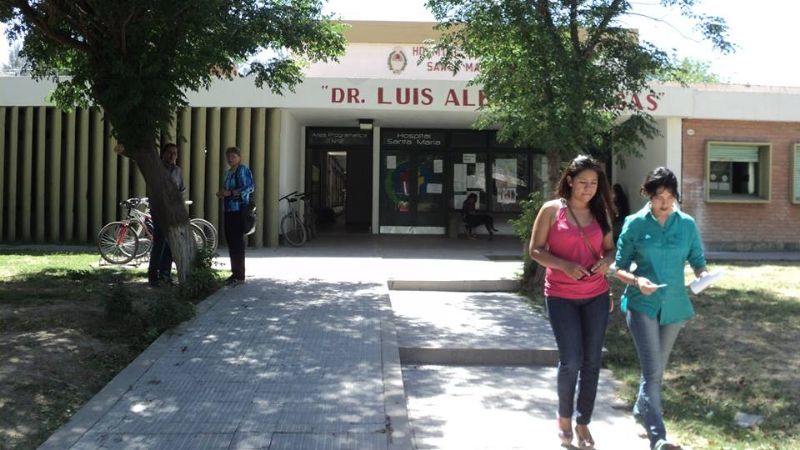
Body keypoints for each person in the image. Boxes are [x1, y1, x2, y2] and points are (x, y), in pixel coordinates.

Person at [614, 167, 708, 450]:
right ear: (648, 196)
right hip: (642, 303)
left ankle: (640, 411)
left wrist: (703, 275)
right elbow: (618, 267)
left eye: (669, 197)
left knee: (655, 370)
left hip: (675, 305)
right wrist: (636, 279)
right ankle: (658, 437)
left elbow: (697, 259)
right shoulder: (634, 223)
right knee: (653, 371)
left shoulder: (687, 224)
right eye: (658, 197)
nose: (665, 203)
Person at [528, 155, 616, 450]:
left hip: (596, 296)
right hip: (561, 296)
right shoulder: (552, 210)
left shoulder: (600, 211)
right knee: (571, 361)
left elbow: (610, 250)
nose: (588, 188)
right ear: (569, 181)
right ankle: (564, 419)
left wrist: (606, 262)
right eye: (582, 182)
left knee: (592, 362)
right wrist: (564, 265)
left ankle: (583, 422)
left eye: (593, 183)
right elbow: (535, 250)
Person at [148, 143, 185, 287]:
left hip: (172, 211)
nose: (172, 156)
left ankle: (165, 274)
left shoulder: (177, 171)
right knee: (159, 242)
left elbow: (181, 190)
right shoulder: (156, 170)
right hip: (158, 210)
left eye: (175, 153)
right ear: (163, 154)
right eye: (169, 153)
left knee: (170, 243)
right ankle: (153, 276)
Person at [216, 146, 254, 286]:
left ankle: (240, 274)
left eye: (233, 156)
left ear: (239, 157)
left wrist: (231, 193)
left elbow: (250, 187)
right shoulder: (228, 172)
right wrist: (222, 193)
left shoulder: (242, 169)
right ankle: (234, 272)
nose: (230, 159)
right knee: (231, 241)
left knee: (237, 242)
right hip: (228, 210)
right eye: (228, 156)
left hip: (239, 210)